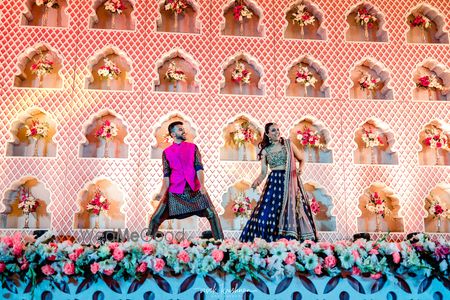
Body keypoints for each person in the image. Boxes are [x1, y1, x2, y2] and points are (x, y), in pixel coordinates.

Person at [239, 122, 317, 242]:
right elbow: (263, 173)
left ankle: (293, 240)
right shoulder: (265, 151)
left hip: (290, 181)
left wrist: (300, 169)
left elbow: (301, 159)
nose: (277, 132)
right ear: (267, 134)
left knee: (292, 208)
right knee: (270, 211)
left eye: (278, 129)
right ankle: (270, 241)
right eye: (273, 130)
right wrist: (256, 182)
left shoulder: (288, 144)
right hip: (274, 183)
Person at [148, 121, 224, 240]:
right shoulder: (166, 152)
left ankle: (221, 244)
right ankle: (147, 246)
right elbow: (166, 176)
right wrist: (161, 193)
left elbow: (199, 167)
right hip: (175, 191)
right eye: (180, 129)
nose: (184, 131)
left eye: (183, 129)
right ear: (172, 134)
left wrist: (202, 185)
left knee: (212, 214)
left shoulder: (193, 147)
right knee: (155, 219)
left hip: (195, 189)